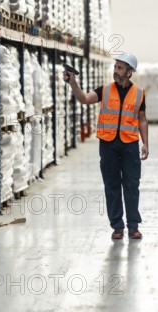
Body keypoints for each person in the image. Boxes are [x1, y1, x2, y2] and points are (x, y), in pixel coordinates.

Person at [63, 53, 149, 240]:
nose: (115, 70)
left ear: (129, 72)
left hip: (130, 144)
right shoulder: (105, 90)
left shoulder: (140, 94)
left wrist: (145, 144)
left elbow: (142, 120)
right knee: (112, 185)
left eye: (120, 68)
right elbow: (84, 99)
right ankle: (117, 226)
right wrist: (73, 83)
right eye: (115, 67)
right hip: (109, 144)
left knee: (132, 185)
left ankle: (133, 226)